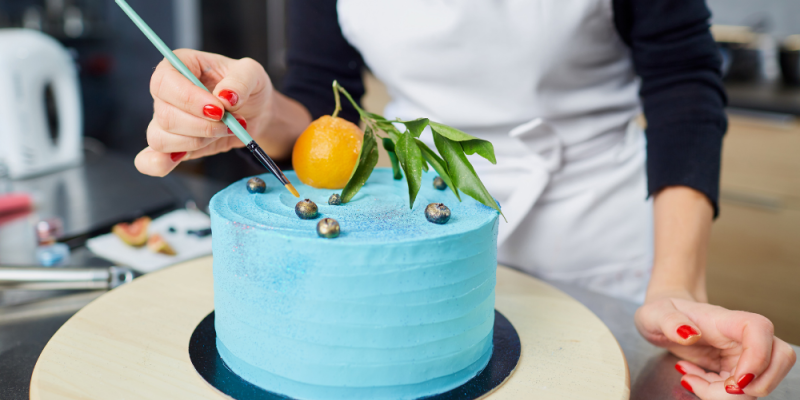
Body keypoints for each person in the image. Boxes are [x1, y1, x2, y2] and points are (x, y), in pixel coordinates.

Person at [135, 0, 796, 397]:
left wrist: (678, 288)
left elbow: (682, 79)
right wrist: (255, 108)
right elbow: (322, 97)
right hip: (417, 217)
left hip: (596, 234)